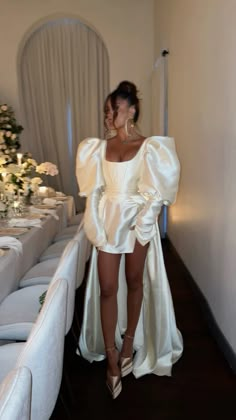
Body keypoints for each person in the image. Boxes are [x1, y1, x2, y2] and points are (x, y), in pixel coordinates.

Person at [76, 81, 183, 399]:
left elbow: (156, 192)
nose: (109, 117)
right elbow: (94, 192)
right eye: (106, 112)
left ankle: (128, 342)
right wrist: (94, 225)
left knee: (135, 281)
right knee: (107, 287)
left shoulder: (150, 147)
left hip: (138, 221)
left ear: (132, 110)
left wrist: (145, 223)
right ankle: (110, 355)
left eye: (114, 110)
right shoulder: (97, 148)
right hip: (109, 220)